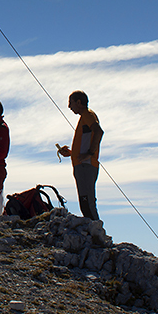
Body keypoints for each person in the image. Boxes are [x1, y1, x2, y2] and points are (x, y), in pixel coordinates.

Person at [57, 90, 104, 221]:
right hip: (83, 164)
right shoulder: (85, 118)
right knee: (85, 201)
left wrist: (89, 154)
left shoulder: (88, 115)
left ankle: (96, 232)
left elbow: (99, 132)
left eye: (70, 103)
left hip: (85, 166)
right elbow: (88, 140)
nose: (69, 106)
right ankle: (93, 231)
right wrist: (72, 153)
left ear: (79, 102)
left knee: (87, 201)